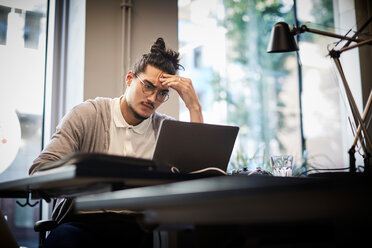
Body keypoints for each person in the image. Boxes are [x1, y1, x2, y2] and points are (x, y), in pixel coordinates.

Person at [29, 37, 203, 247]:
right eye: (147, 86)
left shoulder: (166, 130)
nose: (152, 99)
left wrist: (194, 107)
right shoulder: (88, 114)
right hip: (82, 223)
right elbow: (39, 172)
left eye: (162, 93)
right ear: (130, 78)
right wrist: (91, 181)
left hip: (136, 229)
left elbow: (198, 179)